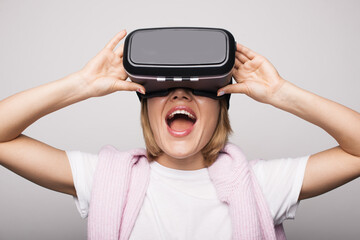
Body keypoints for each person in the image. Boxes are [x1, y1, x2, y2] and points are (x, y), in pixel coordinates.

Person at [0, 29, 359, 239]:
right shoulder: (107, 179)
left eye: (199, 88)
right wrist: (80, 84)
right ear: (147, 111)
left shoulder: (259, 185)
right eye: (163, 89)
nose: (180, 93)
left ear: (222, 110)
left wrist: (283, 94)